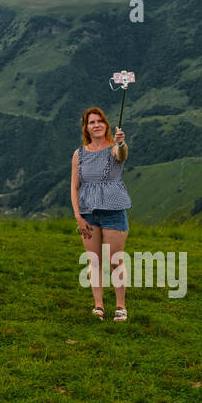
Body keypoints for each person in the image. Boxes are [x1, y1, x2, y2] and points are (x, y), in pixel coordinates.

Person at [70, 107, 131, 321]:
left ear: (106, 125)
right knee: (93, 261)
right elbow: (74, 187)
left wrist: (121, 142)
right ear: (86, 128)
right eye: (91, 122)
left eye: (100, 121)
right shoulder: (79, 154)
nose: (96, 125)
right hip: (88, 213)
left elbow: (121, 156)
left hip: (113, 210)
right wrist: (78, 216)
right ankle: (98, 305)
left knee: (115, 260)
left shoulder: (114, 148)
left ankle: (121, 306)